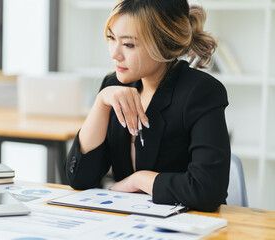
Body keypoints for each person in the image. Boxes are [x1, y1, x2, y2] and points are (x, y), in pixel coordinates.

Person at [65, 0, 230, 212]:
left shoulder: (201, 92)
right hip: (127, 222)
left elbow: (207, 190)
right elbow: (79, 179)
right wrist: (101, 103)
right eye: (111, 38)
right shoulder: (113, 86)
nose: (114, 53)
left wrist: (139, 180)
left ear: (164, 45)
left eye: (129, 44)